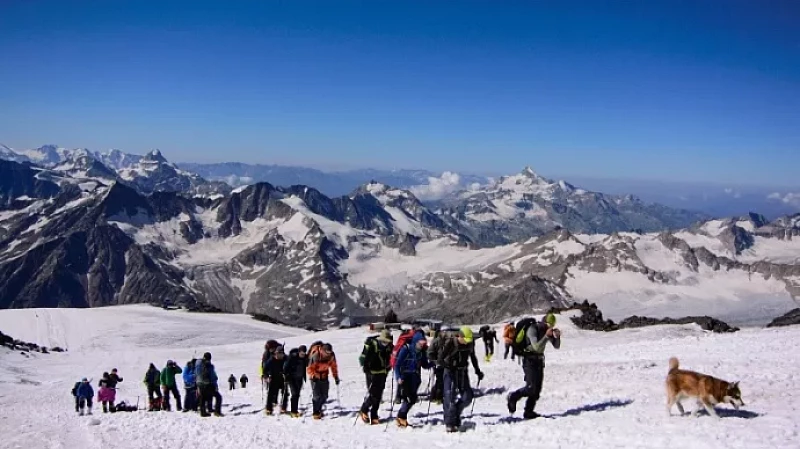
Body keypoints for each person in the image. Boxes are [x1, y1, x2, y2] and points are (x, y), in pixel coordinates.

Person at [507, 313, 561, 420]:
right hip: (529, 360)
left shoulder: (545, 330)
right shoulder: (533, 329)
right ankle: (513, 396)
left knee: (537, 389)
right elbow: (536, 347)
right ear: (544, 322)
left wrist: (557, 337)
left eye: (551, 326)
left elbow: (556, 346)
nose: (549, 327)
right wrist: (546, 336)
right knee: (530, 387)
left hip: (539, 361)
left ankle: (529, 411)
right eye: (548, 325)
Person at [438, 326, 484, 432]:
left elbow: (473, 357)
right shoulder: (451, 342)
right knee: (450, 397)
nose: (467, 342)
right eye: (465, 340)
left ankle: (455, 415)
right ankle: (450, 423)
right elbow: (440, 359)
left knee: (467, 397)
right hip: (450, 372)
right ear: (460, 336)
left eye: (469, 340)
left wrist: (478, 371)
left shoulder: (470, 343)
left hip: (462, 372)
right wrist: (448, 366)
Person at [393, 331, 433, 428]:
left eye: (423, 344)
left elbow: (424, 365)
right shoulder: (406, 349)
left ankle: (401, 417)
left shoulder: (421, 352)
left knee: (413, 398)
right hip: (404, 376)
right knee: (409, 398)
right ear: (415, 341)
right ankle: (401, 417)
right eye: (420, 343)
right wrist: (398, 377)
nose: (421, 345)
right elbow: (397, 365)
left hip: (415, 377)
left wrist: (433, 363)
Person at [357, 329, 393, 425]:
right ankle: (364, 409)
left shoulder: (389, 346)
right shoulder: (373, 345)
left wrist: (389, 366)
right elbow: (362, 359)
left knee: (379, 394)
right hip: (371, 373)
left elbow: (392, 356)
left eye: (387, 341)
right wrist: (366, 367)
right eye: (384, 341)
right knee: (373, 394)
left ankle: (374, 415)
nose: (385, 343)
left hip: (383, 372)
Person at [307, 342, 339, 420]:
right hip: (315, 377)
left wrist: (336, 377)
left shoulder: (331, 356)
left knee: (324, 396)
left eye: (330, 352)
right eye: (327, 352)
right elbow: (309, 368)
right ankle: (316, 412)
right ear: (323, 350)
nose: (328, 353)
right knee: (317, 396)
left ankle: (319, 409)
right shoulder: (316, 355)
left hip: (324, 376)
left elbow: (333, 366)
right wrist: (313, 376)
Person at [283, 345, 307, 418]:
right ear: (299, 352)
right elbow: (285, 367)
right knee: (294, 394)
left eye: (304, 353)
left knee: (297, 394)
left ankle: (295, 410)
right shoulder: (292, 357)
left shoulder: (305, 358)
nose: (303, 355)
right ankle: (293, 411)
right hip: (291, 378)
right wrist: (285, 375)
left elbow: (306, 365)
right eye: (302, 353)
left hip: (299, 379)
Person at [196, 352, 222, 417]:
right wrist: (215, 383)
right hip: (208, 384)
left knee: (203, 398)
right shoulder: (209, 366)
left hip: (200, 384)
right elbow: (212, 376)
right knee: (218, 397)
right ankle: (217, 412)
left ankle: (203, 413)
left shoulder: (198, 364)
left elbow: (196, 374)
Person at [264, 345, 288, 414]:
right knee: (271, 394)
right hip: (273, 378)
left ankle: (283, 408)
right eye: (278, 354)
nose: (280, 356)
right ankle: (269, 408)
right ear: (276, 353)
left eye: (281, 354)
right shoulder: (271, 360)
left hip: (283, 378)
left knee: (285, 393)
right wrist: (267, 376)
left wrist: (287, 374)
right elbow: (265, 369)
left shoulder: (286, 359)